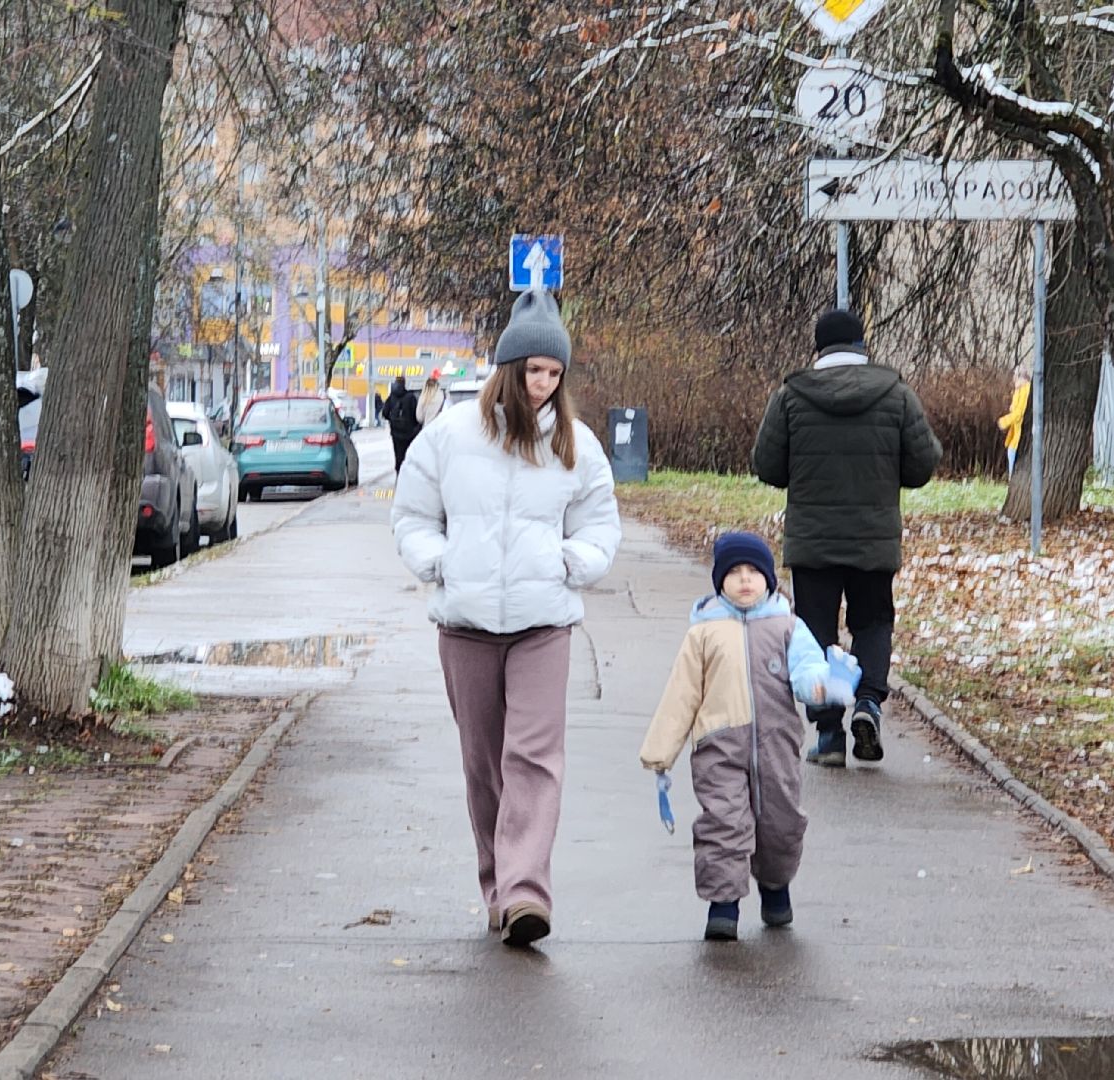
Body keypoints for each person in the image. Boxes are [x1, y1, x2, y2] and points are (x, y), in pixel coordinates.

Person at [392, 289, 621, 949]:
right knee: (483, 763)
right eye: (533, 371)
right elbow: (411, 515)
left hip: (541, 623)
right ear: (507, 369)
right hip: (464, 625)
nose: (543, 385)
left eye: (554, 373)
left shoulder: (577, 446)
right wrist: (439, 563)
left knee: (533, 756)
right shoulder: (449, 436)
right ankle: (496, 887)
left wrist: (567, 561)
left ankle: (526, 893)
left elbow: (600, 524)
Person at [639, 532, 859, 941]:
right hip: (718, 747)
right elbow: (681, 694)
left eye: (754, 572)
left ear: (769, 579)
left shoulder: (787, 626)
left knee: (781, 822)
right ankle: (723, 905)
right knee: (723, 822)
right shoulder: (703, 634)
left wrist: (827, 685)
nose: (744, 580)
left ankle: (775, 887)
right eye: (734, 573)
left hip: (776, 745)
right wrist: (660, 753)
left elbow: (807, 671)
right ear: (719, 580)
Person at [751, 309, 941, 768]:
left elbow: (767, 466)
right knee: (872, 622)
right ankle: (869, 703)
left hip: (813, 542)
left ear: (818, 348)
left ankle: (830, 733)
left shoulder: (791, 397)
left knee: (815, 632)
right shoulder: (896, 395)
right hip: (873, 539)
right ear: (861, 345)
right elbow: (922, 466)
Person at [997, 365, 1031, 476]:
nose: (1013, 378)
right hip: (1017, 430)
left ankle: (1013, 481)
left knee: (1013, 453)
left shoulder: (1025, 390)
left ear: (1019, 376)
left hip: (1022, 431)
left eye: (1015, 375)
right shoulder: (1019, 389)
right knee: (1011, 452)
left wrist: (1004, 421)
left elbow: (1020, 412)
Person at [382, 375, 421, 469]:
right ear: (404, 383)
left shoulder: (391, 397)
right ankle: (407, 473)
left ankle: (399, 473)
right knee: (408, 454)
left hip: (396, 433)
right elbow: (416, 414)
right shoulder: (410, 397)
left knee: (398, 455)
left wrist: (392, 420)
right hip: (409, 433)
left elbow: (384, 413)